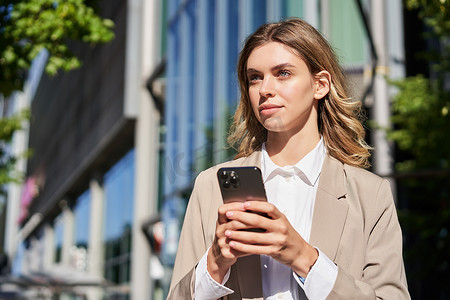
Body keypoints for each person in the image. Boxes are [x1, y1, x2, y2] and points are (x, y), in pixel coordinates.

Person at [167, 18, 410, 300]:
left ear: (320, 85)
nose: (265, 88)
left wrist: (305, 258)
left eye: (282, 73)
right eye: (254, 77)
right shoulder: (211, 187)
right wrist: (215, 264)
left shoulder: (369, 193)